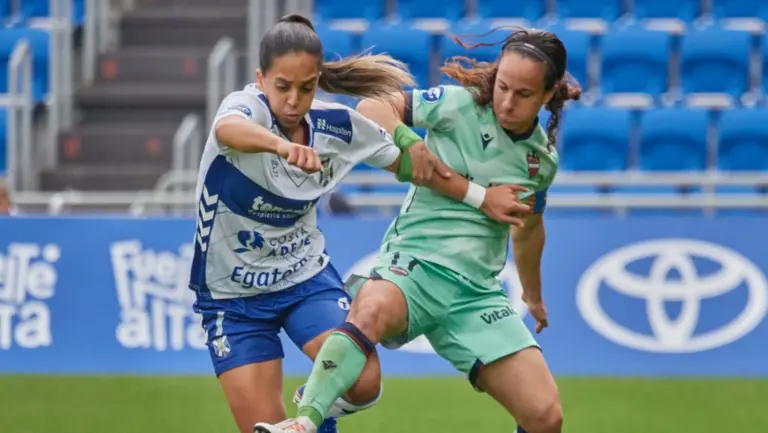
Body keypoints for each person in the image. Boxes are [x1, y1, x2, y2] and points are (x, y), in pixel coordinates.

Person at [190, 14, 531, 433]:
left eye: (306, 87)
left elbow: (415, 165)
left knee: (364, 382)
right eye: (282, 87)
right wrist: (281, 147)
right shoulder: (244, 110)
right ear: (261, 79)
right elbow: (228, 131)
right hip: (233, 297)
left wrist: (476, 193)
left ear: (318, 81)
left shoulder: (336, 126)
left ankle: (314, 405)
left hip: (303, 278)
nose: (294, 101)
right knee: (265, 426)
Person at [255, 27, 582, 433]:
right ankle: (304, 421)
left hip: (476, 296)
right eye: (502, 87)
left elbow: (529, 230)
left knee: (545, 416)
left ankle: (324, 391)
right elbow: (375, 106)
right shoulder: (456, 105)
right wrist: (409, 139)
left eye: (523, 94)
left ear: (549, 94)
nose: (506, 102)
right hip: (414, 265)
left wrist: (533, 296)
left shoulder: (541, 161)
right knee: (371, 310)